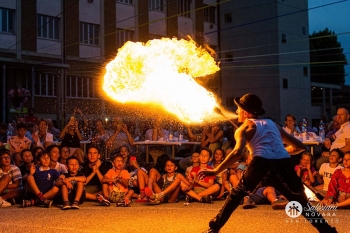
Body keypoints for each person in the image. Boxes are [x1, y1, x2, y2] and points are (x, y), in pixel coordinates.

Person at [198, 93, 336, 233]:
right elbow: (301, 147)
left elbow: (237, 153)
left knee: (236, 195)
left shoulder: (244, 128)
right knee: (302, 202)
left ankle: (213, 229)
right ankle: (327, 231)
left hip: (260, 163)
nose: (236, 111)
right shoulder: (273, 124)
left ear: (245, 112)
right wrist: (278, 151)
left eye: (238, 109)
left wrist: (216, 171)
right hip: (283, 163)